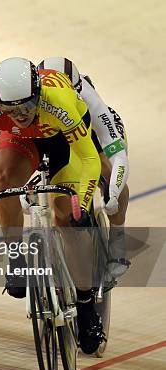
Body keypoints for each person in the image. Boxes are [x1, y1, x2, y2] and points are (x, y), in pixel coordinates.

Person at [0, 57, 105, 354]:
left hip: (62, 140)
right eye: (11, 110)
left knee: (67, 218)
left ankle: (86, 304)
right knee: (3, 177)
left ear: (38, 93)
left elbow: (90, 159)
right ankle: (16, 256)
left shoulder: (58, 101)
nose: (20, 115)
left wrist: (85, 202)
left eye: (26, 107)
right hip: (23, 142)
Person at [38, 57, 130, 279]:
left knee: (108, 177)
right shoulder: (40, 99)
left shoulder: (90, 99)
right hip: (59, 133)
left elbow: (119, 157)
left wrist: (113, 193)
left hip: (93, 132)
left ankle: (118, 239)